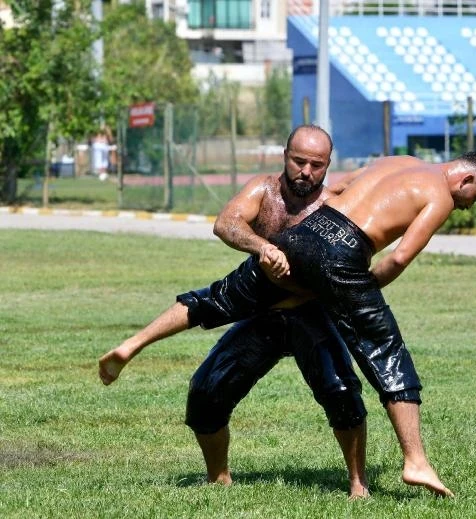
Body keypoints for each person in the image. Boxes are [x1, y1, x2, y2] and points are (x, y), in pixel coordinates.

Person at [148, 150, 476, 498]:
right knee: (385, 349)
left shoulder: (399, 160)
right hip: (331, 266)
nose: (469, 205)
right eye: (475, 197)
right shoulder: (440, 195)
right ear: (465, 179)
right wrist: (357, 291)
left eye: (316, 165)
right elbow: (401, 256)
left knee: (226, 300)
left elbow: (343, 186)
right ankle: (415, 461)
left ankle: (133, 344)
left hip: (306, 250)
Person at [99, 125, 369, 498]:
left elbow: (385, 176)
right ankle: (218, 477)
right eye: (298, 161)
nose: (306, 171)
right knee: (206, 391)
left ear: (328, 166)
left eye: (316, 165)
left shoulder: (337, 200)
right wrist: (262, 248)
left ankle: (358, 483)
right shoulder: (264, 189)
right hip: (262, 307)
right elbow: (226, 223)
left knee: (340, 390)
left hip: (311, 311)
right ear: (284, 156)